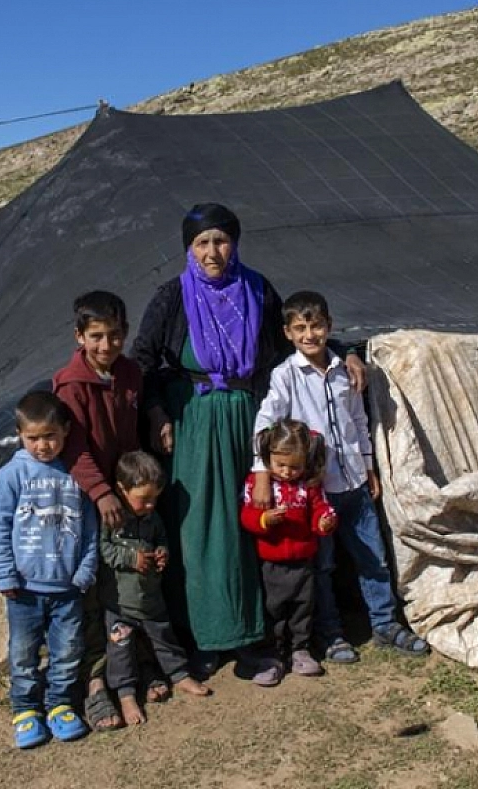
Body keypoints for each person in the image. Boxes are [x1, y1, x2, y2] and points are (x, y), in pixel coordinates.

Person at [131, 203, 365, 663]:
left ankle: (264, 634)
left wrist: (346, 352)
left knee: (257, 520)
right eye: (202, 243)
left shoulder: (256, 289)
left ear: (234, 244)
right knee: (203, 527)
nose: (212, 251)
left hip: (251, 420)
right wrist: (158, 412)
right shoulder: (172, 297)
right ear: (189, 248)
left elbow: (292, 340)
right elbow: (143, 359)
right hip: (197, 423)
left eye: (220, 240)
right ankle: (207, 634)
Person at [252, 291, 430, 663]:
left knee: (373, 557)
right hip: (319, 491)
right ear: (287, 333)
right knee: (324, 565)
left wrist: (368, 466)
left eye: (315, 325)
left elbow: (359, 422)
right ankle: (330, 635)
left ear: (329, 326)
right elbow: (266, 424)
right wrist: (263, 472)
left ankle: (384, 622)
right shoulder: (286, 377)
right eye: (300, 328)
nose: (309, 335)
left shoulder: (345, 371)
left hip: (354, 482)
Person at [52, 289, 168, 730]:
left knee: (131, 580)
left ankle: (138, 665)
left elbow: (134, 427)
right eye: (97, 336)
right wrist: (101, 493)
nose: (107, 345)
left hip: (127, 495)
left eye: (115, 335)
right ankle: (96, 683)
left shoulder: (130, 374)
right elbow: (74, 448)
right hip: (91, 499)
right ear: (79, 336)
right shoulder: (70, 385)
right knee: (93, 592)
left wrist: (158, 418)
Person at [0, 391, 98, 749]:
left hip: (67, 586)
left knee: (67, 651)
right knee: (23, 653)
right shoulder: (11, 476)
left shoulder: (76, 474)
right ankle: (25, 710)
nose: (43, 446)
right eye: (33, 438)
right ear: (20, 434)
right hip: (24, 589)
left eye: (50, 436)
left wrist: (85, 571)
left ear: (65, 431)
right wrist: (4, 574)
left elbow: (91, 529)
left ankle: (61, 705)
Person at [99, 450, 213, 724]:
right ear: (122, 489)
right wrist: (130, 558)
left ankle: (180, 676)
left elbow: (162, 539)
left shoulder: (153, 518)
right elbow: (102, 550)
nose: (150, 505)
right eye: (144, 499)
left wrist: (162, 553)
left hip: (150, 597)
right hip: (120, 602)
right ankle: (126, 695)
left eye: (155, 499)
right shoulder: (111, 520)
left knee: (165, 638)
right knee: (120, 650)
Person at [239, 421, 336, 685]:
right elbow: (247, 516)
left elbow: (320, 510)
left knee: (302, 606)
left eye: (295, 466)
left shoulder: (309, 486)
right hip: (271, 562)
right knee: (273, 609)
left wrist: (324, 522)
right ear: (268, 458)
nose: (287, 472)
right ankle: (272, 655)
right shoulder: (258, 485)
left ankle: (300, 649)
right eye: (280, 465)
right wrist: (264, 520)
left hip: (303, 560)